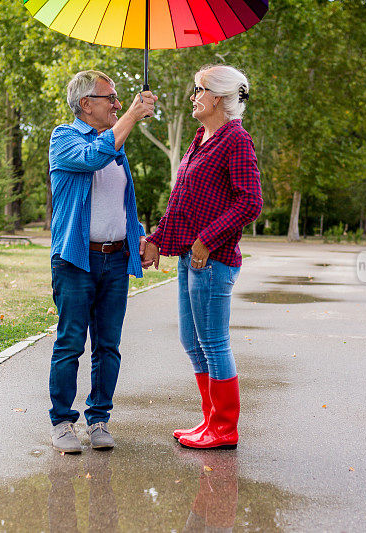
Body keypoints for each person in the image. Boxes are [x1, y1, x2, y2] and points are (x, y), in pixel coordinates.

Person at [143, 65, 262, 449]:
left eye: (199, 89)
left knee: (212, 342)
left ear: (219, 98)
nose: (193, 95)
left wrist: (207, 241)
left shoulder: (235, 140)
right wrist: (159, 239)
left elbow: (251, 202)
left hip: (213, 260)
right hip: (189, 258)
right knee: (191, 341)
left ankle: (225, 429)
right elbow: (181, 203)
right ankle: (211, 421)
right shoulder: (201, 139)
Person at [48, 70, 157, 453]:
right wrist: (130, 114)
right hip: (77, 261)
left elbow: (122, 202)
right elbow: (92, 158)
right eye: (109, 97)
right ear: (85, 105)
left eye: (117, 98)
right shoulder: (64, 138)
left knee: (108, 345)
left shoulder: (118, 145)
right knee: (71, 343)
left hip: (114, 261)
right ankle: (62, 422)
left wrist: (140, 236)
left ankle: (98, 420)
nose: (115, 103)